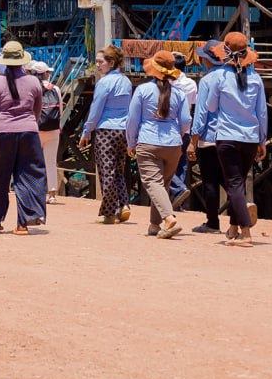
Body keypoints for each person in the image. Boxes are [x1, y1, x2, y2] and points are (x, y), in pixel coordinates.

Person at [205, 32, 268, 246]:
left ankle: (246, 233)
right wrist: (262, 140)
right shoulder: (256, 78)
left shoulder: (220, 77)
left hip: (227, 136)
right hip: (250, 138)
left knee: (233, 184)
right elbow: (262, 113)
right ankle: (233, 227)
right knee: (238, 183)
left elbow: (211, 107)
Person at [0, 41, 46, 235]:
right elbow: (37, 110)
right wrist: (28, 124)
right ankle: (23, 224)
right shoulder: (34, 82)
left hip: (2, 133)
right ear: (22, 61)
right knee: (29, 175)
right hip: (29, 133)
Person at [126, 51, 192, 239]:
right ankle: (154, 225)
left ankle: (168, 217)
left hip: (148, 141)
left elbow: (132, 119)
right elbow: (186, 121)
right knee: (163, 184)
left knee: (152, 182)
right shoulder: (179, 93)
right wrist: (178, 136)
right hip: (173, 143)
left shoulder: (143, 90)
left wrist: (131, 142)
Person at [78, 45, 134, 224]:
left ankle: (109, 212)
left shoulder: (104, 82)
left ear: (111, 63)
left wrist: (87, 130)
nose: (97, 65)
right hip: (123, 130)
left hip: (106, 130)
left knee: (106, 171)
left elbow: (96, 109)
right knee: (118, 170)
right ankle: (124, 204)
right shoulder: (126, 81)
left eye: (100, 62)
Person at [187, 40, 227, 234]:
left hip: (210, 137)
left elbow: (201, 113)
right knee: (231, 181)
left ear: (206, 60)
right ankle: (240, 218)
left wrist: (193, 142)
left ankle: (212, 223)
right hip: (232, 136)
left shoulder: (207, 80)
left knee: (210, 182)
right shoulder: (234, 76)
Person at [26, 60, 62, 199]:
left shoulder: (31, 89)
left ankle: (36, 191)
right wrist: (59, 127)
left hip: (36, 129)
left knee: (34, 162)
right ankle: (52, 194)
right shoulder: (56, 89)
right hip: (53, 130)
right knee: (51, 162)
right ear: (45, 73)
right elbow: (60, 110)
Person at [167, 52, 198, 209]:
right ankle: (178, 203)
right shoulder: (191, 84)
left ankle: (179, 189)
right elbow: (192, 105)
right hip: (185, 128)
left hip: (169, 128)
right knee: (181, 165)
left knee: (161, 164)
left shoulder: (167, 84)